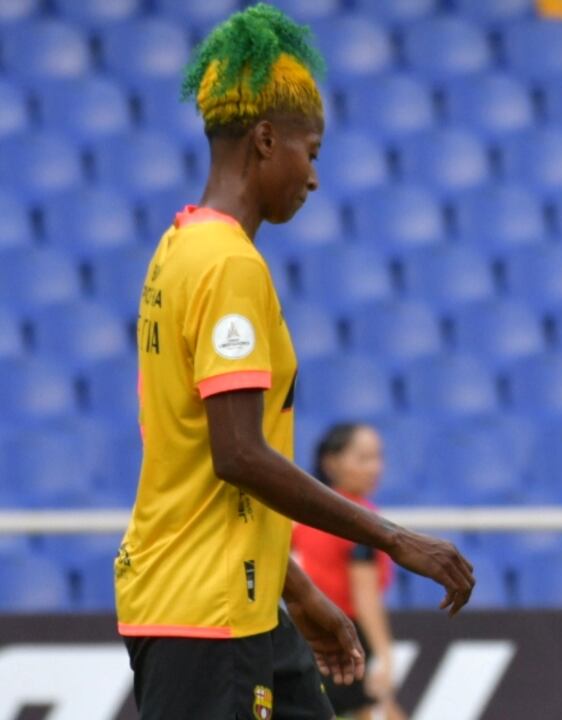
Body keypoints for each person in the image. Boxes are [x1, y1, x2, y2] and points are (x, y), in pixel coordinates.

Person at [115, 6, 474, 718]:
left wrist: (302, 594)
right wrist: (393, 538)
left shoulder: (177, 247)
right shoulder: (228, 267)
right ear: (266, 139)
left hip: (241, 599)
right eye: (311, 152)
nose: (313, 177)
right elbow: (238, 455)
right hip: (205, 610)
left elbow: (210, 461)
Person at [293, 424, 407, 720]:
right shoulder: (359, 521)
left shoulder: (304, 512)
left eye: (378, 457)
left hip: (305, 636)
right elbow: (365, 596)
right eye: (364, 458)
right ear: (331, 462)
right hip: (345, 639)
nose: (375, 468)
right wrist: (384, 655)